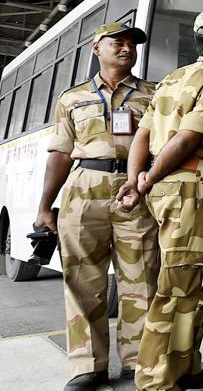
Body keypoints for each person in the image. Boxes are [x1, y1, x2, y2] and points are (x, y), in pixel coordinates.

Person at [116, 9, 203, 390]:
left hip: (166, 187)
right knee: (178, 285)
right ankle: (155, 381)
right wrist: (147, 178)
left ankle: (186, 363)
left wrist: (137, 181)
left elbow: (142, 135)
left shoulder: (173, 79)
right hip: (187, 186)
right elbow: (188, 138)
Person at [35, 22, 158, 391]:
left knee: (141, 279)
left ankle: (139, 362)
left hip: (135, 189)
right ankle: (88, 365)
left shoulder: (153, 95)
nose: (125, 49)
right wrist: (45, 206)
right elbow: (60, 152)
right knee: (81, 280)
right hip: (83, 186)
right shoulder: (72, 98)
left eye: (131, 45)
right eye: (116, 43)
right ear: (96, 49)